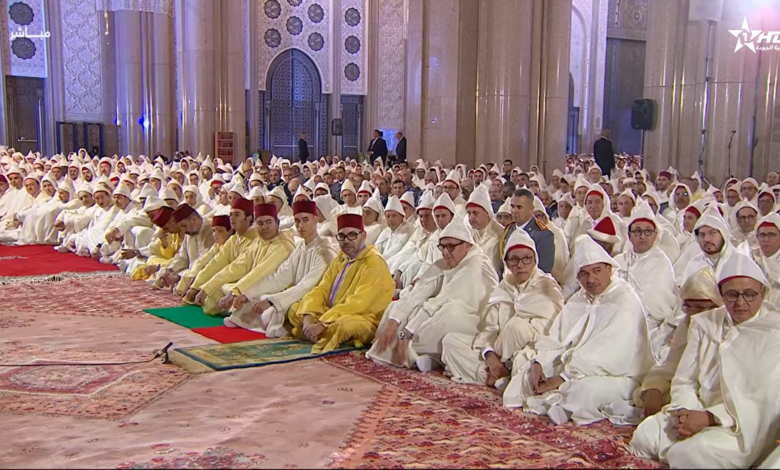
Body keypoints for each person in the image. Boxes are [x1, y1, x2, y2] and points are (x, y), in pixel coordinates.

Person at [630, 253, 780, 469]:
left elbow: (760, 400)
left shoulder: (774, 331)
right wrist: (683, 412)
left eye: (749, 294)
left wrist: (709, 417)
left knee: (687, 454)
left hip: (740, 426)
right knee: (645, 436)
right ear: (721, 294)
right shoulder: (705, 323)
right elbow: (685, 379)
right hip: (696, 409)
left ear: (762, 292)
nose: (740, 302)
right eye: (732, 295)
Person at [502, 235, 652, 426]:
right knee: (527, 369)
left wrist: (563, 377)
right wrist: (540, 362)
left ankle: (558, 402)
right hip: (573, 366)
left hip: (616, 374)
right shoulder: (579, 299)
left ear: (609, 269)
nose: (591, 279)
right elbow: (556, 337)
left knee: (584, 390)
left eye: (597, 271)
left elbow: (609, 354)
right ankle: (554, 399)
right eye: (584, 274)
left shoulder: (624, 299)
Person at [366, 217, 499, 371]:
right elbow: (417, 293)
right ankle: (417, 354)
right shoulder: (443, 263)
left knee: (447, 314)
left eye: (451, 247)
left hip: (474, 320)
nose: (446, 252)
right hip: (439, 309)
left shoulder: (475, 264)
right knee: (398, 308)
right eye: (442, 247)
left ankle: (412, 352)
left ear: (467, 246)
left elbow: (445, 299)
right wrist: (393, 321)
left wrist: (407, 332)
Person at [441, 229, 564, 389]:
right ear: (506, 263)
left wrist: (511, 349)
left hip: (531, 353)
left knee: (516, 327)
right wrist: (489, 355)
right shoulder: (503, 288)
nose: (520, 265)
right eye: (514, 259)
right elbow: (490, 329)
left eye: (526, 258)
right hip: (498, 351)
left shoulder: (547, 286)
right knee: (451, 341)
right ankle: (501, 376)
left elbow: (552, 333)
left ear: (535, 260)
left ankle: (495, 374)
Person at [224, 200, 338, 336]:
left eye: (305, 220)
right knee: (256, 299)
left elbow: (305, 287)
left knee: (270, 311)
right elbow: (279, 278)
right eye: (297, 221)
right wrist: (247, 294)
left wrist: (272, 301)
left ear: (316, 219)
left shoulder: (325, 251)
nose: (300, 226)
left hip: (311, 300)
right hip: (294, 295)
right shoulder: (301, 247)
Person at [289, 213, 395, 352]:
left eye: (352, 235)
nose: (346, 241)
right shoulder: (342, 258)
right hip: (333, 312)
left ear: (363, 236)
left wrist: (322, 324)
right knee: (295, 309)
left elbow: (357, 304)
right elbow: (322, 289)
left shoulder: (374, 263)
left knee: (344, 325)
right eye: (342, 236)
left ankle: (316, 334)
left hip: (363, 318)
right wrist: (308, 318)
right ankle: (320, 334)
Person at [632, 267, 723, 419]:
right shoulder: (687, 323)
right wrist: (654, 389)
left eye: (700, 308)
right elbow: (671, 366)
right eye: (688, 307)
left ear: (717, 307)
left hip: (712, 400)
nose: (693, 314)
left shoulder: (722, 332)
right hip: (684, 392)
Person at [188, 203, 295, 315]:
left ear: (277, 223)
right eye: (260, 223)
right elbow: (238, 266)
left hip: (271, 291)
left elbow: (259, 272)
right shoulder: (259, 241)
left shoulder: (283, 246)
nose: (264, 227)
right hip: (251, 285)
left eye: (269, 222)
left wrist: (235, 293)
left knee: (242, 303)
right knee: (214, 294)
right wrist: (206, 288)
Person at [614, 200, 681, 363]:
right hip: (617, 320)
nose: (642, 236)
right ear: (629, 235)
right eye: (637, 231)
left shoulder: (661, 262)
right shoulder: (618, 261)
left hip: (651, 325)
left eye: (648, 231)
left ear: (656, 235)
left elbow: (660, 305)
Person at [179, 196, 259, 301]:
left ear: (248, 218)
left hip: (248, 285)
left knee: (214, 293)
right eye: (231, 214)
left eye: (237, 215)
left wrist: (207, 288)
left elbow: (237, 268)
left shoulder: (255, 239)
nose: (232, 218)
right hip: (231, 281)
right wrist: (196, 285)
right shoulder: (233, 239)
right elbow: (216, 263)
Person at [154, 203, 215, 291]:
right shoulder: (190, 233)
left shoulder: (211, 229)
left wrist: (179, 276)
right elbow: (181, 257)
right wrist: (170, 270)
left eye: (184, 225)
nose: (183, 230)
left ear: (194, 219)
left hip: (206, 273)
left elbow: (206, 261)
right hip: (191, 273)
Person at [499, 188, 555, 274]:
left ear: (531, 209)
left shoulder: (543, 235)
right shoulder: (509, 229)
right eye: (512, 206)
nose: (514, 211)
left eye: (519, 207)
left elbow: (544, 270)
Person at [466, 186, 504, 272]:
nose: (471, 218)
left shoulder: (500, 235)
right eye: (469, 213)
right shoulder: (470, 233)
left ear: (487, 213)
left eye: (475, 213)